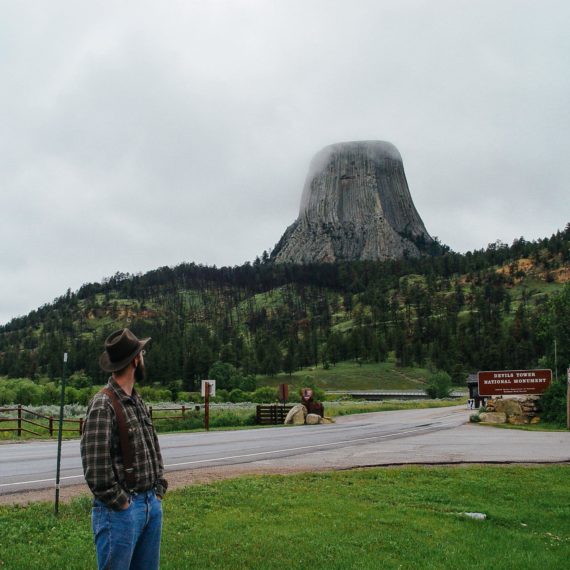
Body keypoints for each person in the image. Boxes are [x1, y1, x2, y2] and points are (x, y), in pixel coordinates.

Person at [81, 328, 168, 570]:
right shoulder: (103, 404)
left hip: (151, 504)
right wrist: (124, 504)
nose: (143, 358)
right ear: (135, 360)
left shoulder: (136, 400)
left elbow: (153, 448)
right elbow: (96, 471)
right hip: (121, 513)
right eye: (142, 354)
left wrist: (158, 490)